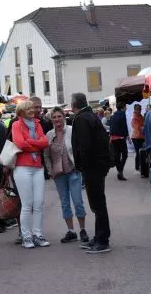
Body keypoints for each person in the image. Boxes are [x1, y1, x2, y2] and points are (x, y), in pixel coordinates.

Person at [71, 93, 112, 253]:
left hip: (93, 166)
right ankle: (100, 236)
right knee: (98, 203)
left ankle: (102, 240)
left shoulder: (82, 119)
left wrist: (81, 165)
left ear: (74, 105)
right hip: (98, 164)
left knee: (97, 203)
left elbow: (84, 146)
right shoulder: (90, 116)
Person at [44, 106, 89, 244]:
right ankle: (71, 231)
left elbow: (79, 148)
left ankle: (82, 229)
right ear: (51, 119)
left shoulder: (71, 131)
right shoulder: (49, 135)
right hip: (58, 174)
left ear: (64, 117)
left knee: (78, 202)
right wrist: (50, 170)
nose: (57, 119)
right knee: (64, 203)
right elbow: (46, 155)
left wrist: (80, 165)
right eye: (54, 117)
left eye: (59, 116)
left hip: (73, 171)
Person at [11, 100, 50, 248]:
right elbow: (20, 143)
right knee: (27, 204)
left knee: (39, 203)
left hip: (37, 167)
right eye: (28, 108)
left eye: (32, 108)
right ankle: (26, 237)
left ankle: (38, 234)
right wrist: (36, 143)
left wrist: (30, 143)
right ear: (21, 111)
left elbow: (45, 142)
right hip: (22, 167)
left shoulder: (38, 124)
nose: (32, 110)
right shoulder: (16, 125)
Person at [109, 102, 129, 181]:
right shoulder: (122, 114)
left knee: (117, 156)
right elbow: (124, 126)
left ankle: (120, 172)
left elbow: (111, 126)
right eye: (125, 107)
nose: (126, 108)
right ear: (122, 107)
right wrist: (127, 135)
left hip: (113, 138)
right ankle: (120, 171)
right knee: (125, 154)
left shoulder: (113, 115)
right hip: (120, 138)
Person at [130, 104, 145, 173]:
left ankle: (141, 166)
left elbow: (143, 124)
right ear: (135, 109)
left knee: (141, 152)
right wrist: (143, 127)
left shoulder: (140, 116)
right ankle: (137, 167)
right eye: (138, 109)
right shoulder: (134, 118)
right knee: (138, 152)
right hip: (136, 137)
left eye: (140, 109)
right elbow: (137, 127)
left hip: (141, 136)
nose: (140, 110)